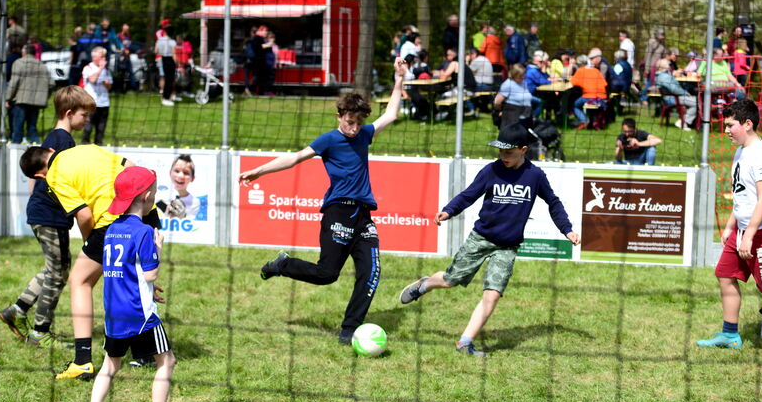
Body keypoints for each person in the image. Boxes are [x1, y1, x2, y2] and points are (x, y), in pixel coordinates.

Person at [237, 58, 408, 344]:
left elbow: (390, 115)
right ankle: (283, 265)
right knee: (327, 274)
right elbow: (294, 158)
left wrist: (399, 78)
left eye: (358, 123)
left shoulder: (365, 135)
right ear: (339, 115)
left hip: (364, 216)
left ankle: (349, 329)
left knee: (372, 272)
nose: (354, 128)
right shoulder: (329, 140)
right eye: (349, 122)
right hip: (338, 212)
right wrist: (259, 171)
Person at [398, 123, 580, 357]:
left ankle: (464, 342)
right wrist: (449, 210)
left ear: (524, 149)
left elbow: (553, 203)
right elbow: (469, 195)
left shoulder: (534, 176)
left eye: (509, 153)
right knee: (450, 280)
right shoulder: (491, 171)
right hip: (481, 239)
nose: (503, 157)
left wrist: (567, 229)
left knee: (492, 294)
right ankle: (424, 285)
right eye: (500, 152)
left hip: (508, 246)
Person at [18, 144, 161, 379]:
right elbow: (132, 168)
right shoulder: (87, 148)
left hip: (113, 219)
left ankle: (83, 361)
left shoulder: (53, 177)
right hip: (147, 210)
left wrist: (90, 244)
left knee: (79, 281)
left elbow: (84, 215)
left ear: (38, 176)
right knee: (134, 279)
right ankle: (144, 354)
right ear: (52, 149)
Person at [0, 86, 95, 348]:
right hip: (50, 216)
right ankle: (40, 332)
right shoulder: (63, 142)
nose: (87, 121)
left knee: (56, 268)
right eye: (84, 116)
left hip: (43, 214)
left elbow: (35, 184)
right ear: (69, 112)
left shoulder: (52, 139)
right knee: (58, 273)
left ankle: (17, 310)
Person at [87, 166, 175, 402]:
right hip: (140, 314)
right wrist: (158, 249)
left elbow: (122, 271)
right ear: (147, 196)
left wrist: (147, 285)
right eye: (155, 192)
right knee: (167, 361)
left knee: (110, 365)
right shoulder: (145, 231)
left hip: (114, 311)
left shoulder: (112, 229)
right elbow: (150, 273)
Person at [697, 100, 762, 350]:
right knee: (725, 275)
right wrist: (731, 225)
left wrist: (749, 235)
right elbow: (741, 194)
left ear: (748, 124)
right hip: (742, 230)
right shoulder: (741, 151)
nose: (726, 131)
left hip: (761, 233)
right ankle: (730, 335)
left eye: (730, 125)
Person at [6, 44, 54, 144]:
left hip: (21, 100)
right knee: (32, 128)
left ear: (24, 52)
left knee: (18, 128)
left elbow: (14, 82)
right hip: (36, 102)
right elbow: (51, 83)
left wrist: (8, 98)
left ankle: (15, 150)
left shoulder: (19, 63)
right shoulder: (41, 65)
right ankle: (36, 148)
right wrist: (45, 95)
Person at [655, 58, 698, 130]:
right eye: (668, 64)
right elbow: (674, 89)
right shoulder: (664, 77)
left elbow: (674, 88)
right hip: (673, 99)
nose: (670, 65)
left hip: (674, 97)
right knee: (697, 102)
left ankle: (691, 122)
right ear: (663, 66)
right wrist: (685, 93)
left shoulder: (665, 75)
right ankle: (684, 122)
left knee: (698, 100)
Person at [81, 46, 112, 145]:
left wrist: (107, 83)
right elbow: (92, 80)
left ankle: (99, 145)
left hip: (104, 103)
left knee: (101, 129)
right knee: (88, 127)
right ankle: (85, 146)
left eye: (104, 57)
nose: (104, 59)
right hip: (91, 103)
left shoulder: (106, 70)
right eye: (102, 57)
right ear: (94, 57)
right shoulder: (88, 68)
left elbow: (109, 87)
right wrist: (100, 69)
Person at [570, 51, 608, 129]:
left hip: (589, 96)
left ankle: (584, 120)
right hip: (602, 96)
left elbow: (572, 83)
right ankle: (592, 121)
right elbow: (605, 84)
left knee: (574, 105)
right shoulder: (596, 70)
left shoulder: (580, 70)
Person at [159, 155, 200, 219]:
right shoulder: (160, 195)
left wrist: (181, 215)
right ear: (170, 173)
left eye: (186, 173)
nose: (180, 176)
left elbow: (190, 224)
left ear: (192, 178)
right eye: (177, 171)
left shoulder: (194, 202)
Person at [493, 63, 532, 130]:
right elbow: (497, 101)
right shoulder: (508, 84)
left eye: (523, 75)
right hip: (512, 117)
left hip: (525, 116)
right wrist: (499, 111)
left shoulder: (524, 83)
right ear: (514, 75)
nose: (522, 77)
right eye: (520, 76)